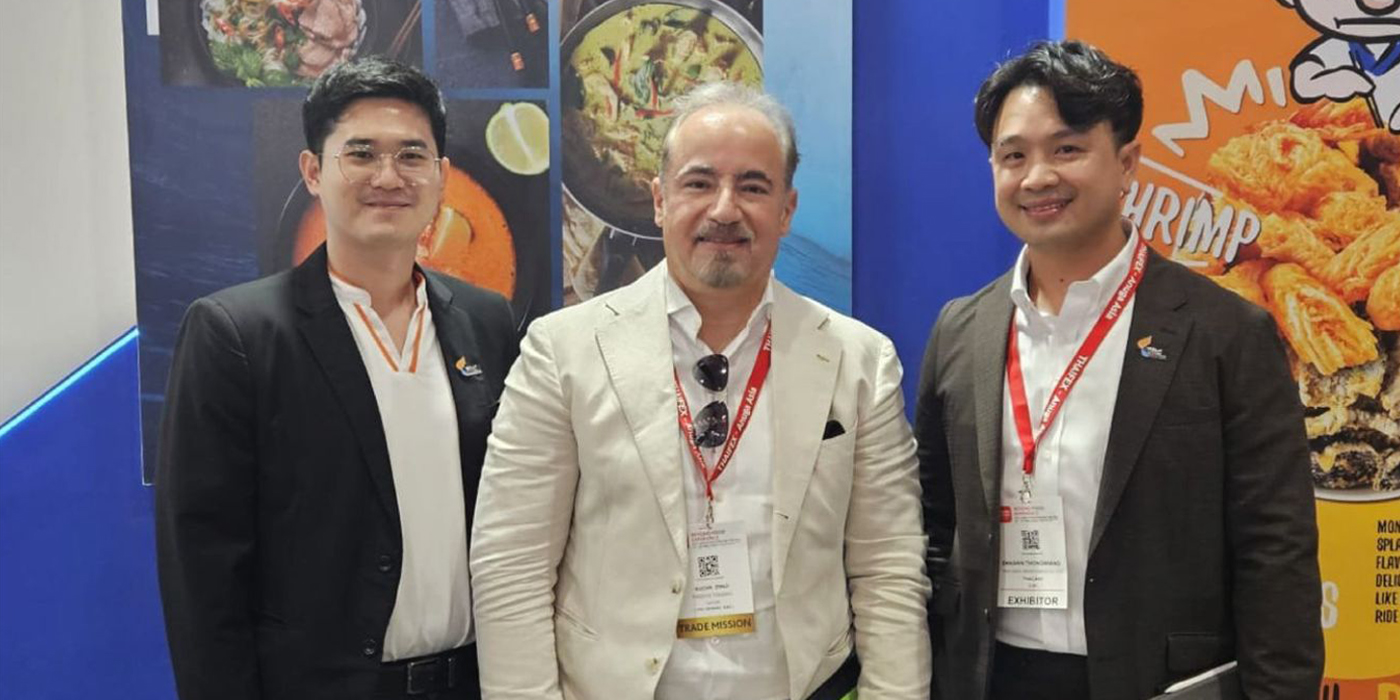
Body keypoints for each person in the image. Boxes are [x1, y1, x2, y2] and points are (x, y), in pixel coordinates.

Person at [470, 82, 931, 700]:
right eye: (699, 183)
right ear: (659, 200)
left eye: (753, 187)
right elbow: (511, 562)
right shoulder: (563, 351)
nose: (724, 209)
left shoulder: (859, 361)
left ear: (787, 209)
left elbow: (890, 565)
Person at [915, 40, 1324, 699]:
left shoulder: (1226, 332)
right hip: (990, 679)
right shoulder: (961, 330)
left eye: (1067, 149)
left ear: (1127, 162)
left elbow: (1276, 553)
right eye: (1013, 156)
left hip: (1157, 681)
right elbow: (934, 528)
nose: (1037, 177)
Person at [155, 57, 517, 700]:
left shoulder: (485, 320)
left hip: (474, 682)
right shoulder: (237, 332)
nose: (388, 176)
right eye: (361, 154)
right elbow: (203, 567)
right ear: (312, 171)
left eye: (412, 155)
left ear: (440, 176)